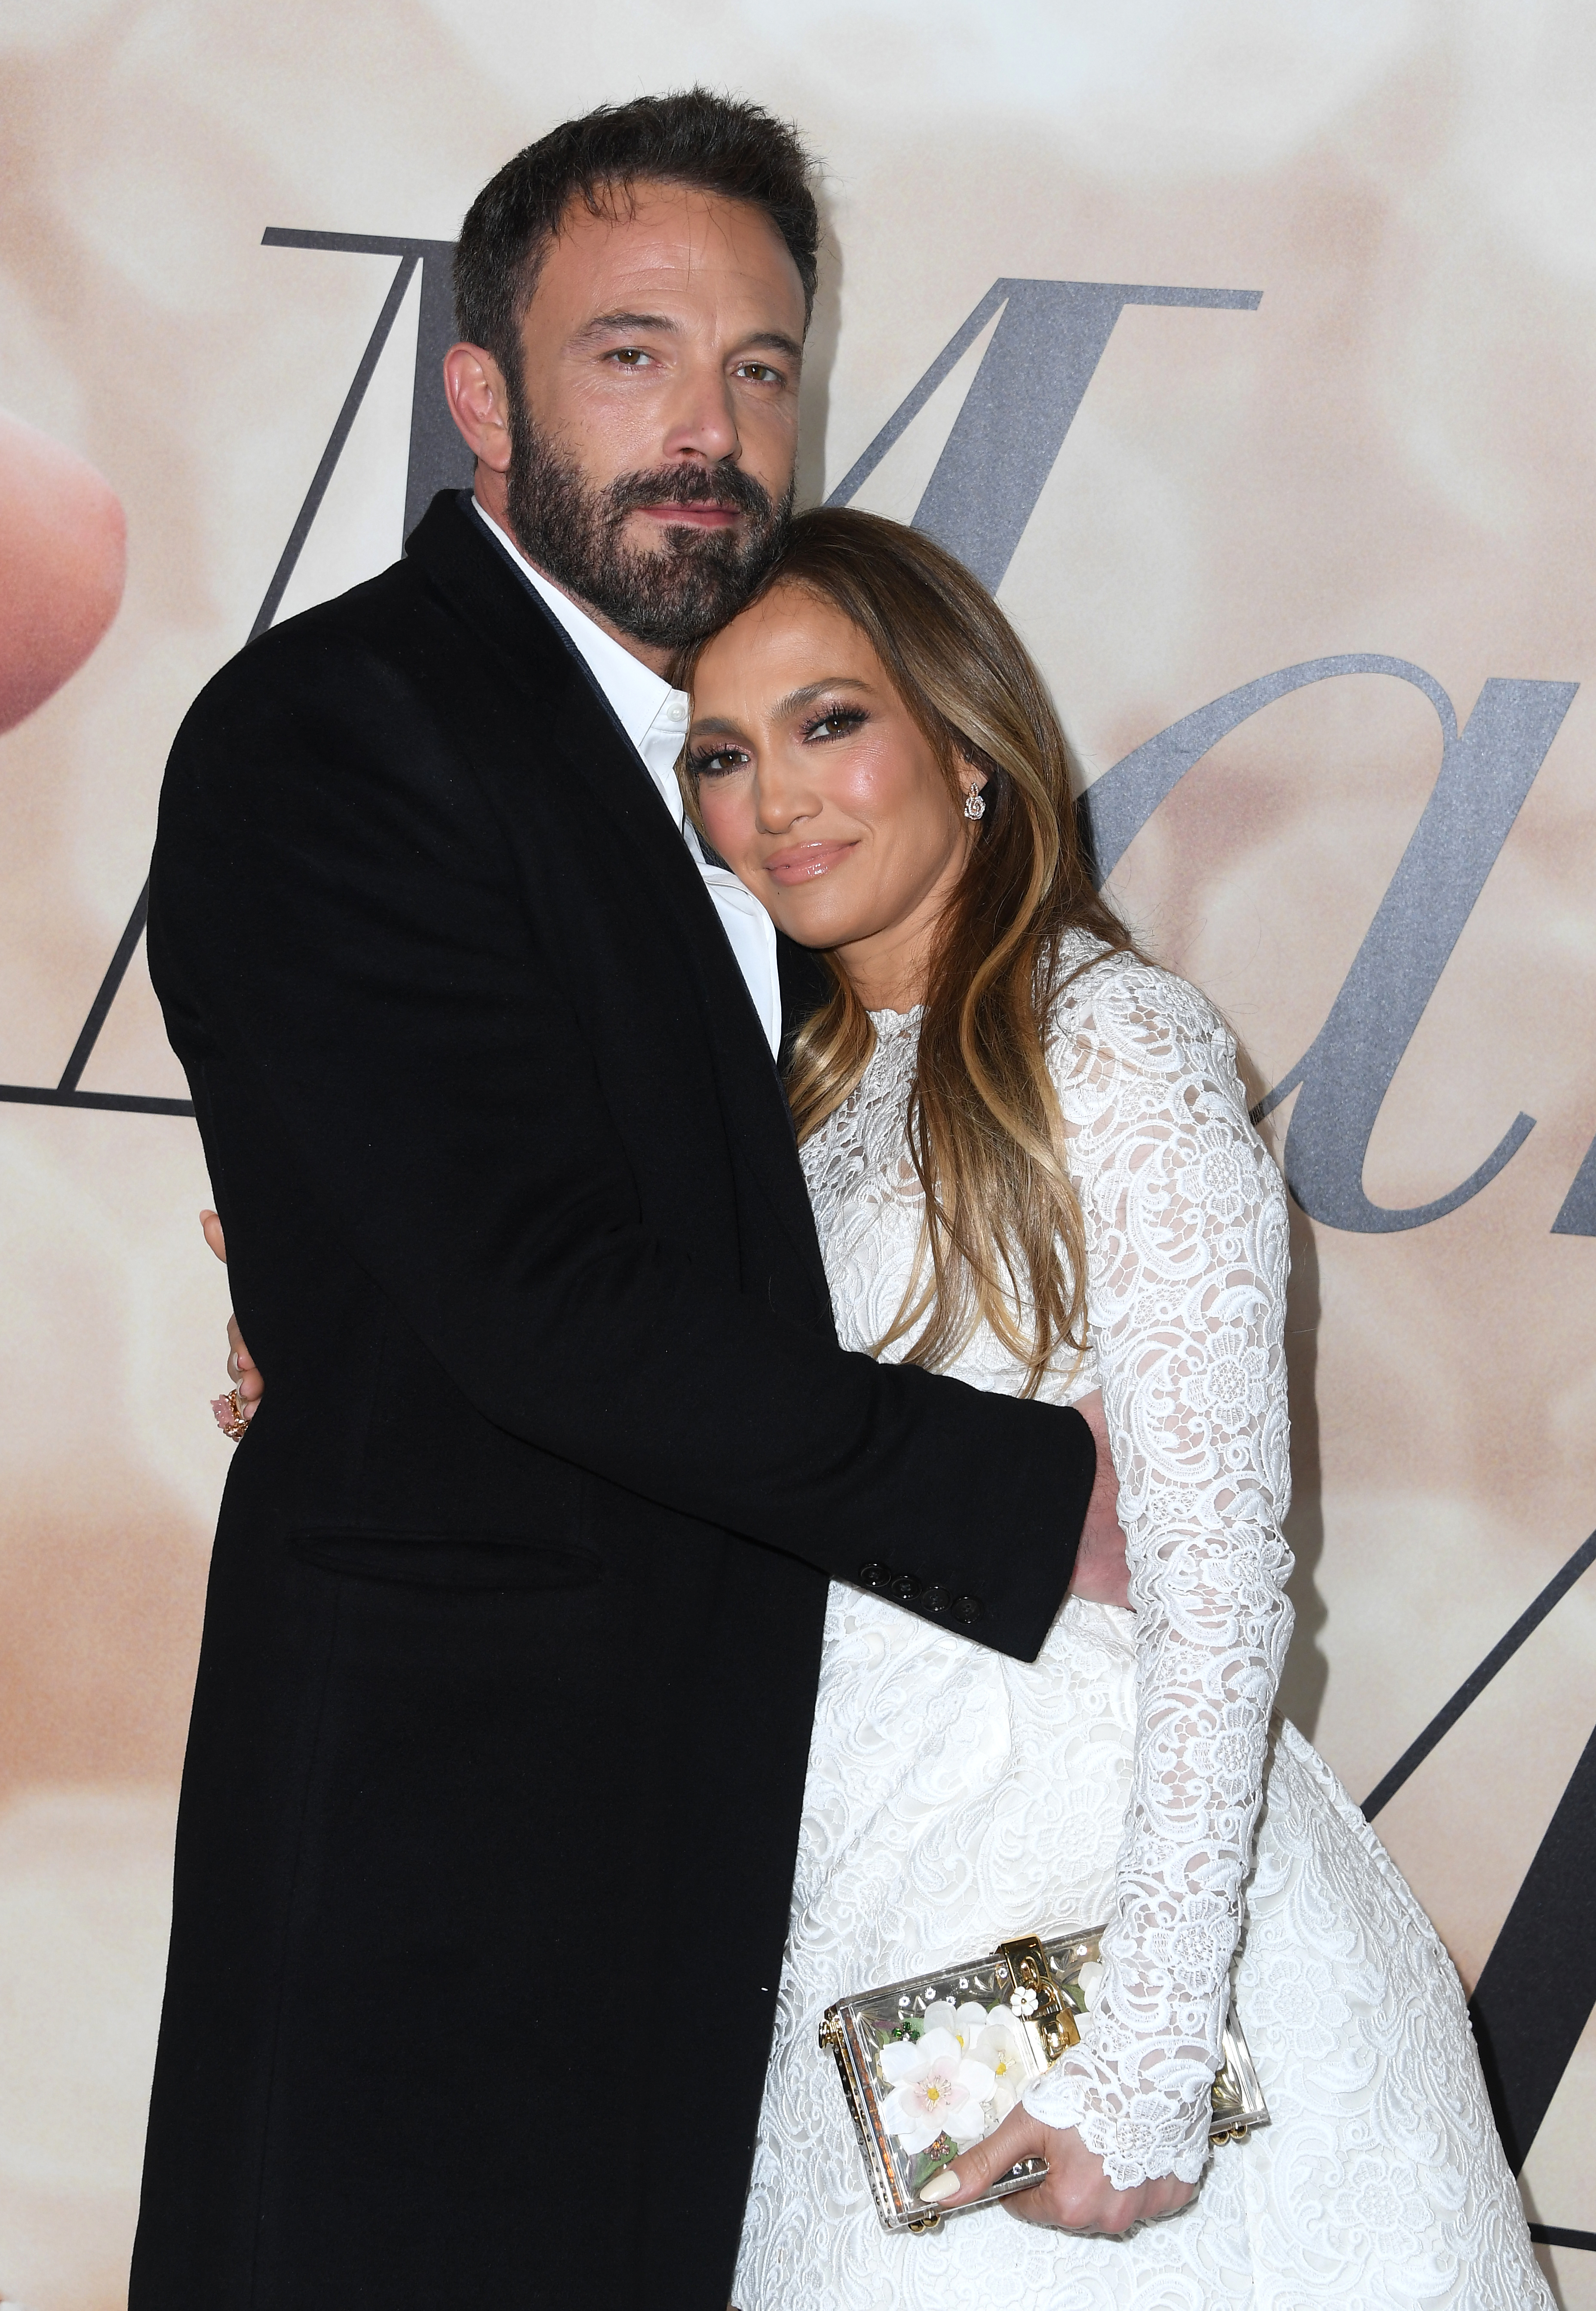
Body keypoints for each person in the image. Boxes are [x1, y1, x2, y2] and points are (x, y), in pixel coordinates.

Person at [134, 94, 1117, 2311]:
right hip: (441, 1867)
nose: (711, 427)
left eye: (761, 368)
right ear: (480, 394)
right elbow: (538, 1298)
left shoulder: (762, 773)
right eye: (635, 355)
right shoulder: (336, 733)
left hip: (737, 1832)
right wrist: (1035, 1500)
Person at [670, 508, 1550, 2309]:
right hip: (842, 1910)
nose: (776, 803)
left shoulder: (1111, 1042)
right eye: (721, 754)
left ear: (970, 749)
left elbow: (1221, 1579)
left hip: (1074, 1929)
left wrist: (1144, 2069)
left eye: (830, 724)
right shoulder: (790, 1102)